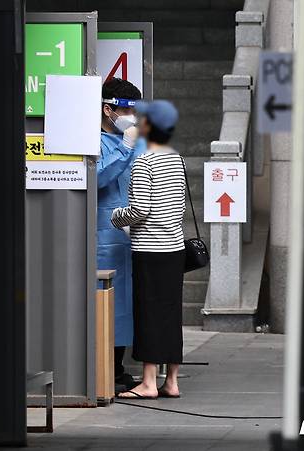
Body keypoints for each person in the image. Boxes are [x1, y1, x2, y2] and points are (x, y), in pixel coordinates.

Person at [111, 100, 186, 400]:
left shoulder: (144, 162)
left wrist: (117, 216)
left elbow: (140, 208)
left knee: (149, 313)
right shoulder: (175, 158)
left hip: (150, 248)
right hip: (175, 246)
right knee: (170, 312)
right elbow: (177, 205)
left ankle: (148, 383)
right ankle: (172, 381)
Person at [97, 78, 147, 392]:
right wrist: (125, 149)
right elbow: (98, 178)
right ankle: (103, 371)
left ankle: (117, 368)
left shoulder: (137, 140)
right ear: (107, 109)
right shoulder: (94, 140)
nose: (131, 117)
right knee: (108, 305)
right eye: (125, 110)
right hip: (105, 235)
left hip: (133, 235)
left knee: (128, 306)